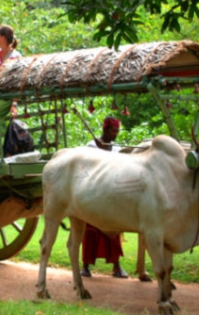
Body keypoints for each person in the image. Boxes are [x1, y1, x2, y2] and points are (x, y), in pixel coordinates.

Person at [81, 116, 129, 279]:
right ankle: (85, 267)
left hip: (110, 196)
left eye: (117, 131)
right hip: (93, 194)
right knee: (90, 230)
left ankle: (116, 267)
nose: (116, 134)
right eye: (114, 131)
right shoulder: (90, 147)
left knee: (113, 230)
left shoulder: (116, 149)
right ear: (106, 130)